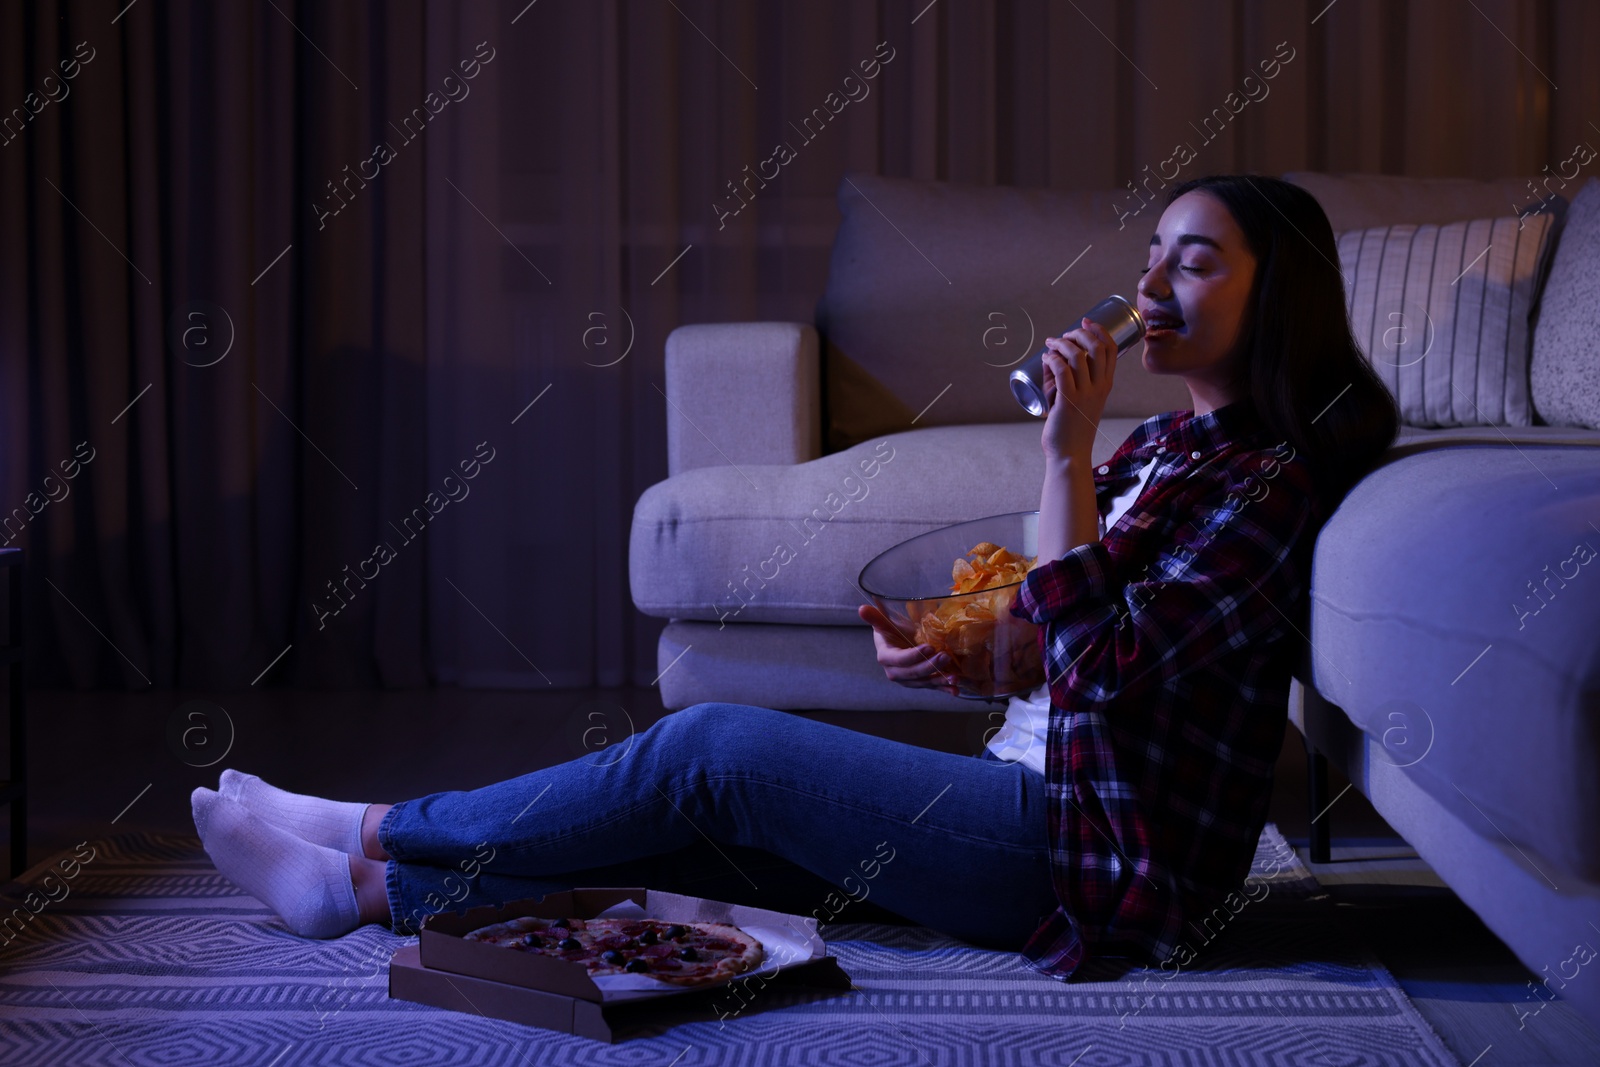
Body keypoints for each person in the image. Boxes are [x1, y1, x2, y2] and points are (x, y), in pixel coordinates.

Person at [190, 174, 1398, 978]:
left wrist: (1065, 451)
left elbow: (1112, 661)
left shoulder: (1268, 482)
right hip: (1036, 797)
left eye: (1192, 265)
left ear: (1271, 294)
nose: (1147, 291)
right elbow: (1052, 610)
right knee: (689, 848)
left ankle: (375, 820)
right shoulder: (1168, 448)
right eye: (1150, 257)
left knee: (712, 748)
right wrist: (965, 648)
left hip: (1101, 854)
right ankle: (359, 888)